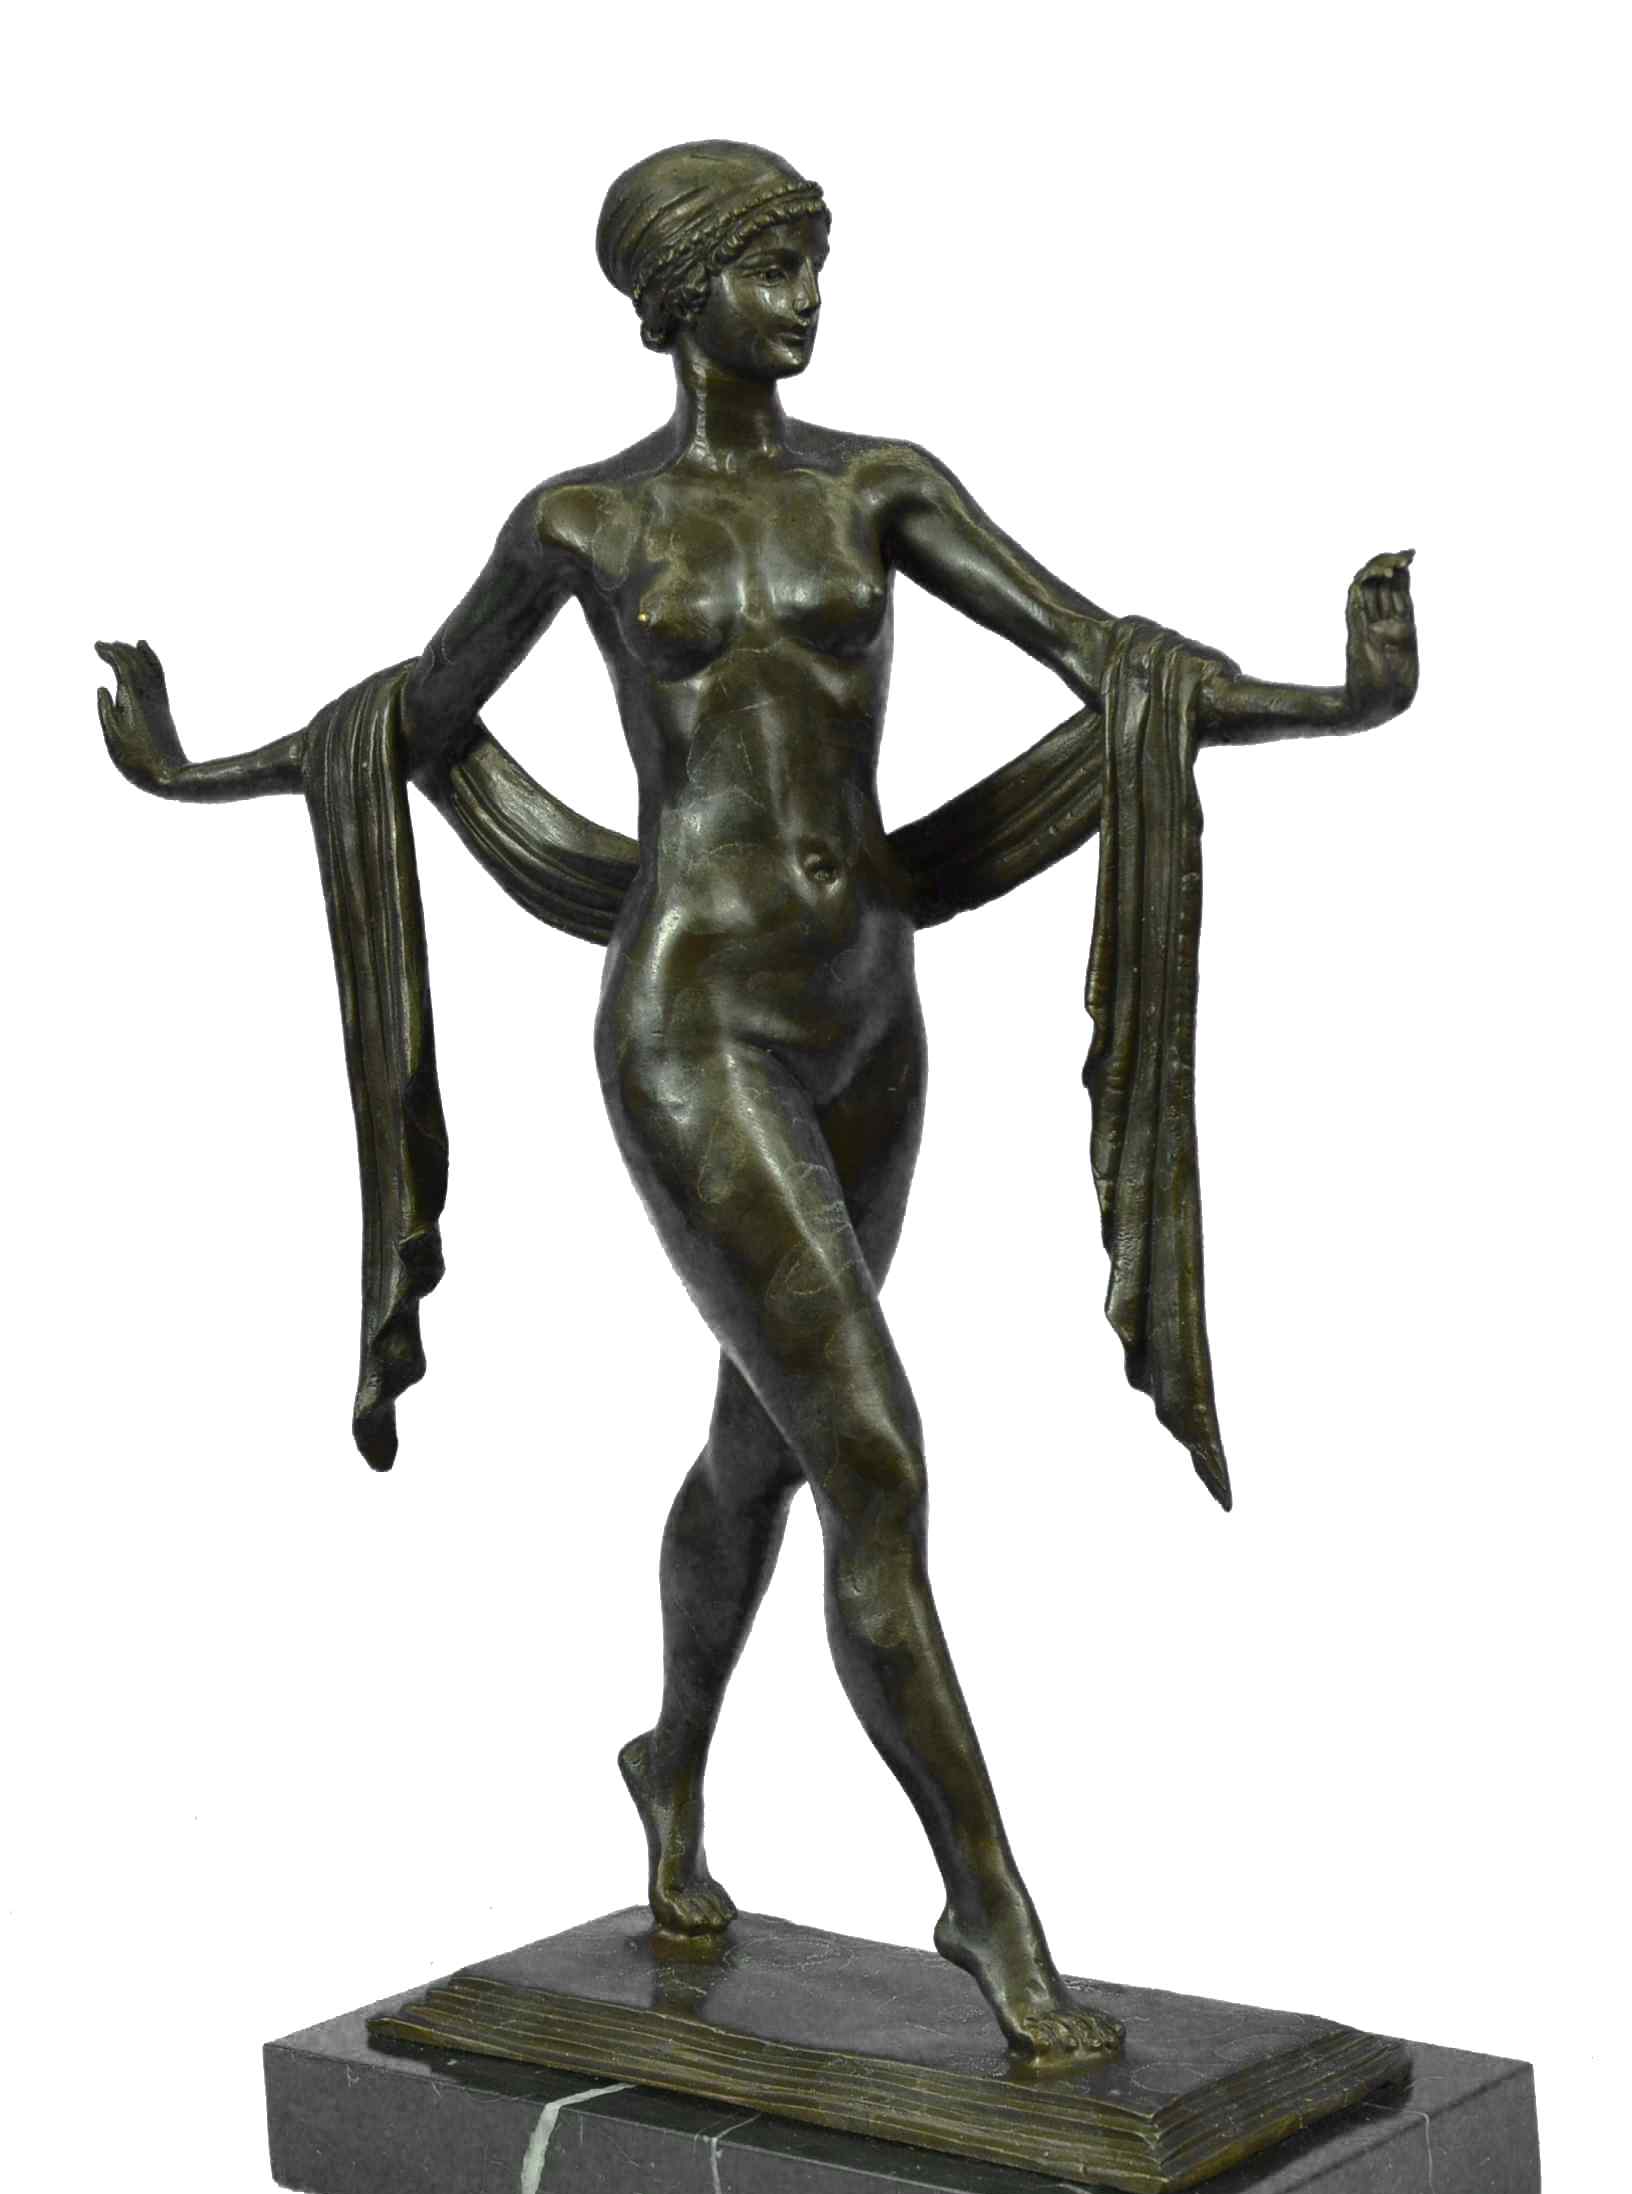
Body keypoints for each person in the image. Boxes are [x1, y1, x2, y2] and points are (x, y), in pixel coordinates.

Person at [96, 139, 1417, 2060]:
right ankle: (988, 1907)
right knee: (873, 1453)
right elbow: (401, 726)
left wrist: (1343, 697)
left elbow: (1112, 662)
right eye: (772, 265)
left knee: (765, 1444)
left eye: (815, 261)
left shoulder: (882, 487)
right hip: (693, 1027)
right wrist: (184, 768)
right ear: (676, 294)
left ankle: (670, 1764)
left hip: (871, 1019)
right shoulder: (584, 524)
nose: (805, 298)